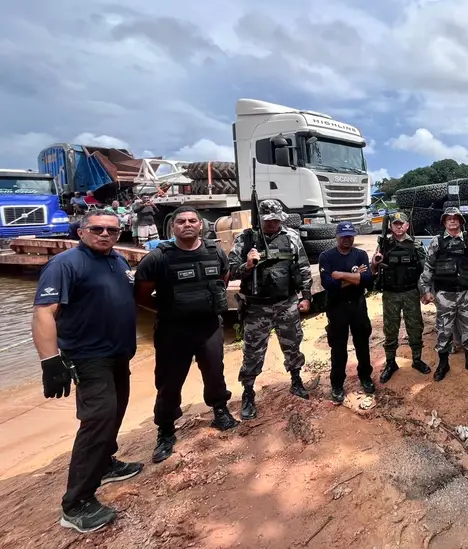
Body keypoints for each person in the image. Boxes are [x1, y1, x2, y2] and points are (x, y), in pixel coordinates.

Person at [31, 209, 142, 533]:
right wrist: (50, 362)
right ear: (81, 232)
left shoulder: (118, 261)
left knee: (115, 411)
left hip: (118, 354)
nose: (105, 234)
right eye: (97, 229)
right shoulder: (65, 264)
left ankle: (105, 462)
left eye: (112, 230)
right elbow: (43, 313)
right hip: (88, 358)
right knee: (97, 421)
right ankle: (76, 504)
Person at [133, 205, 238, 465]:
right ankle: (166, 431)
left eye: (193, 220)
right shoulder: (157, 258)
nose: (187, 224)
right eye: (181, 221)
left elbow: (222, 281)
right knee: (169, 382)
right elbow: (141, 295)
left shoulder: (215, 252)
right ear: (173, 227)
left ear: (200, 225)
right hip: (173, 330)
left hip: (208, 326)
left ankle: (220, 410)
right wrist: (170, 309)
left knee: (215, 372)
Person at [227, 199, 313, 419]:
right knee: (253, 353)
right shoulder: (246, 239)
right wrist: (247, 265)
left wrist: (306, 297)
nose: (274, 223)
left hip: (286, 303)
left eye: (277, 219)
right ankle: (248, 392)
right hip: (256, 306)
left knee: (293, 344)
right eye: (269, 220)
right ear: (261, 219)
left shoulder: (291, 237)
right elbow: (230, 272)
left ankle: (295, 380)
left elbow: (303, 268)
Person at [419, 206, 468, 382]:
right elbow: (428, 267)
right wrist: (425, 290)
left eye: (455, 218)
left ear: (460, 222)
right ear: (444, 222)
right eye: (448, 218)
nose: (452, 220)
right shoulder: (437, 241)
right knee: (444, 330)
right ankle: (444, 364)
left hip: (467, 294)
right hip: (445, 295)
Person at [371, 212, 431, 383]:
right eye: (395, 224)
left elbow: (425, 271)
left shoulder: (416, 245)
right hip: (390, 293)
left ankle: (417, 360)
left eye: (401, 223)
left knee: (415, 326)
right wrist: (375, 261)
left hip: (410, 292)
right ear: (391, 226)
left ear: (407, 226)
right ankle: (391, 363)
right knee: (390, 329)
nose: (398, 226)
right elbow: (373, 269)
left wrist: (425, 291)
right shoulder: (384, 244)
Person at [319, 222, 375, 403]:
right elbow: (329, 285)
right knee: (338, 348)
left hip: (358, 305)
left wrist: (341, 275)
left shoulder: (360, 254)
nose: (347, 239)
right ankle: (337, 384)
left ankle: (365, 377)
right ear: (337, 236)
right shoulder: (326, 256)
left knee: (362, 344)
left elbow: (367, 280)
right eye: (343, 236)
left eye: (350, 236)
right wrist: (355, 276)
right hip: (337, 306)